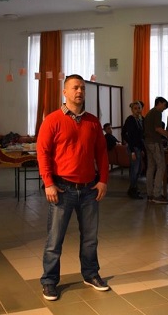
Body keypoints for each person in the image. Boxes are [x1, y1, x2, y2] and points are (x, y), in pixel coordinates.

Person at [37, 74, 110, 301]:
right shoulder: (52, 120)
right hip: (62, 189)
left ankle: (91, 274)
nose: (79, 91)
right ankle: (49, 281)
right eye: (75, 88)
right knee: (55, 239)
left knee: (90, 238)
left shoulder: (93, 122)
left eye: (82, 88)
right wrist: (48, 183)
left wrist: (103, 179)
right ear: (65, 92)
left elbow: (102, 153)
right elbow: (43, 153)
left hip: (89, 190)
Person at [144, 97, 168, 204]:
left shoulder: (149, 113)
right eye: (164, 105)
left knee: (151, 167)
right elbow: (158, 128)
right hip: (154, 143)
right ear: (159, 103)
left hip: (148, 142)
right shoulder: (157, 112)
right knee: (161, 166)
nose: (164, 108)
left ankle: (150, 194)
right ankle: (157, 195)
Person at [122, 101, 145, 199]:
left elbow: (141, 136)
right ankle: (132, 189)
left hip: (139, 147)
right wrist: (131, 151)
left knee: (139, 169)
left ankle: (134, 187)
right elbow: (126, 134)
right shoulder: (130, 120)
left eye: (139, 108)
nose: (137, 110)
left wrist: (142, 149)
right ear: (132, 110)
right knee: (134, 169)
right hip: (133, 148)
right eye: (135, 108)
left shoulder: (141, 119)